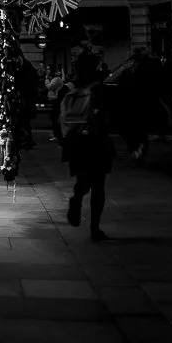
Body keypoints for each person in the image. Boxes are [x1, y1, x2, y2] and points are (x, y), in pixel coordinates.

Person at [61, 50, 116, 241]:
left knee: (82, 179)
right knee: (98, 184)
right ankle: (95, 227)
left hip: (74, 141)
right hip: (95, 140)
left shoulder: (68, 88)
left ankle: (76, 199)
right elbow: (108, 116)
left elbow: (58, 118)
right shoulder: (99, 89)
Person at [47, 68, 66, 142]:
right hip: (58, 104)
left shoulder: (56, 82)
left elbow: (50, 87)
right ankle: (58, 135)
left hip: (57, 104)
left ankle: (57, 135)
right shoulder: (61, 84)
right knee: (57, 121)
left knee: (56, 121)